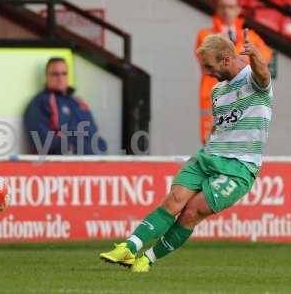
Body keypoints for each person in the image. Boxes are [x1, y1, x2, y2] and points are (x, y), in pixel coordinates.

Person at [100, 31, 274, 273]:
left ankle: (147, 259)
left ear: (226, 60)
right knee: (173, 200)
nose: (206, 72)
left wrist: (256, 56)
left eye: (209, 66)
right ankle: (129, 247)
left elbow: (264, 77)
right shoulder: (217, 92)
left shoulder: (252, 81)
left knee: (191, 213)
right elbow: (221, 126)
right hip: (208, 156)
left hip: (239, 166)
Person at [196, 0, 272, 144]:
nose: (226, 11)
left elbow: (264, 58)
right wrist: (243, 59)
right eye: (223, 6)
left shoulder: (250, 36)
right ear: (217, 9)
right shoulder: (206, 35)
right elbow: (207, 62)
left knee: (238, 144)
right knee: (212, 144)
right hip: (215, 95)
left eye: (230, 7)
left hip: (242, 96)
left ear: (238, 10)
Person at [24, 57, 107, 155]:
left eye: (64, 74)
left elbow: (96, 139)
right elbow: (44, 143)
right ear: (47, 76)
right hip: (60, 164)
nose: (60, 78)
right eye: (55, 74)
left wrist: (67, 136)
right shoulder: (39, 103)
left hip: (89, 161)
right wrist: (72, 141)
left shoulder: (78, 102)